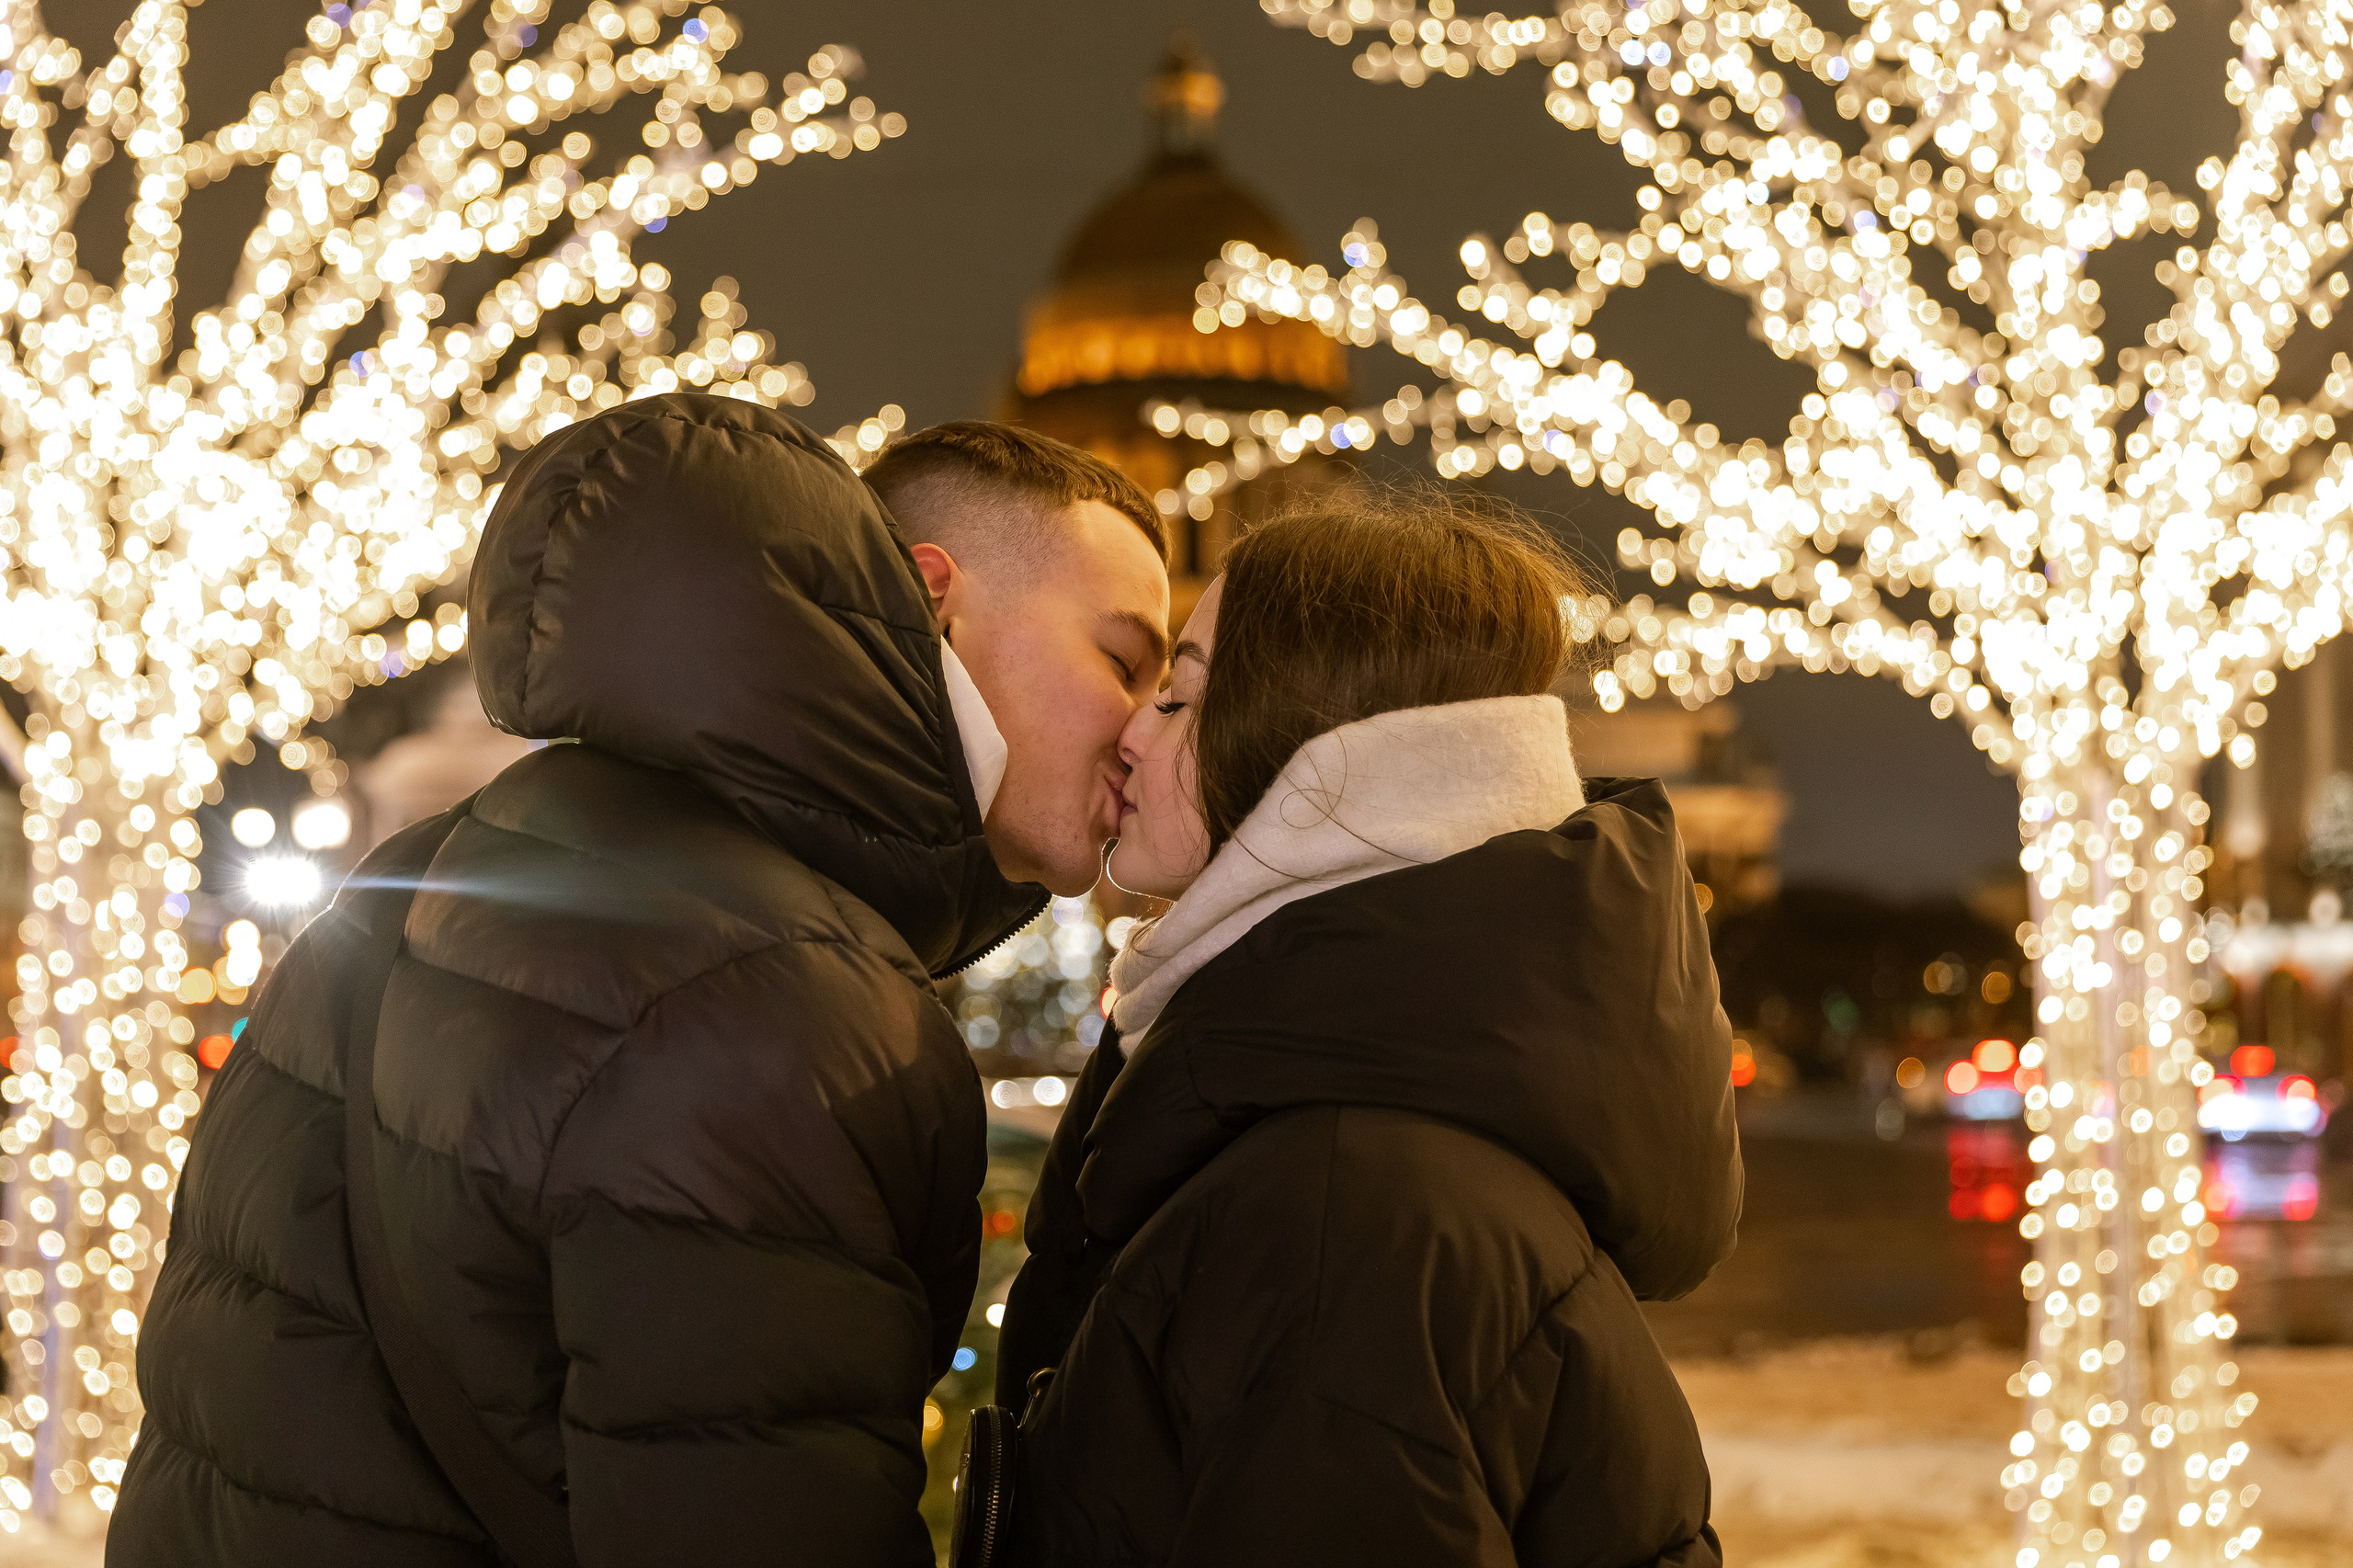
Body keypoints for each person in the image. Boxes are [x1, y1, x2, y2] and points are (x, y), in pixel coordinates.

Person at [110, 396, 1169, 1565]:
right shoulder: (780, 995)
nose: (1146, 730)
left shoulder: (441, 868)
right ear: (929, 596)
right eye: (1123, 659)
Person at [995, 492, 1743, 1567]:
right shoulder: (1352, 1146)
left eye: (1182, 696)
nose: (1129, 730)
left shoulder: (1339, 1216)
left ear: (1324, 760)